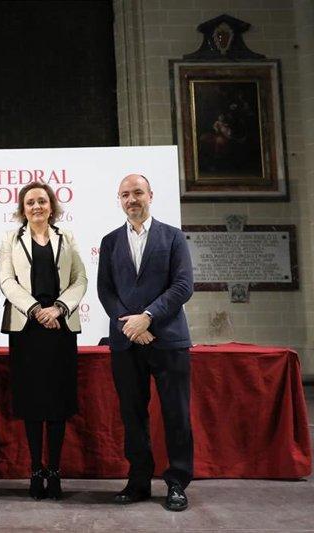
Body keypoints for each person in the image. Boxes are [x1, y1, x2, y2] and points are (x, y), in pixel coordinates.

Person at [97, 173, 194, 512]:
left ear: (150, 195)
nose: (131, 199)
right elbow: (105, 291)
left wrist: (148, 317)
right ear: (119, 200)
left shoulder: (173, 237)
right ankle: (138, 481)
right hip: (127, 343)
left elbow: (183, 286)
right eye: (125, 194)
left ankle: (178, 482)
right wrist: (131, 326)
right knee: (133, 414)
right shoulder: (110, 242)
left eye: (137, 192)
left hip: (168, 341)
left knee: (176, 414)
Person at [0, 182, 87, 500]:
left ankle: (56, 471)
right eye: (30, 202)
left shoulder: (67, 238)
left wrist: (59, 309)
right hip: (27, 330)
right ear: (23, 208)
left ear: (52, 206)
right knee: (33, 402)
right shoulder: (10, 239)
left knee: (58, 403)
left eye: (42, 201)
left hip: (60, 329)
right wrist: (36, 309)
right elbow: (7, 281)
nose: (37, 206)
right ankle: (36, 469)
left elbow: (80, 279)